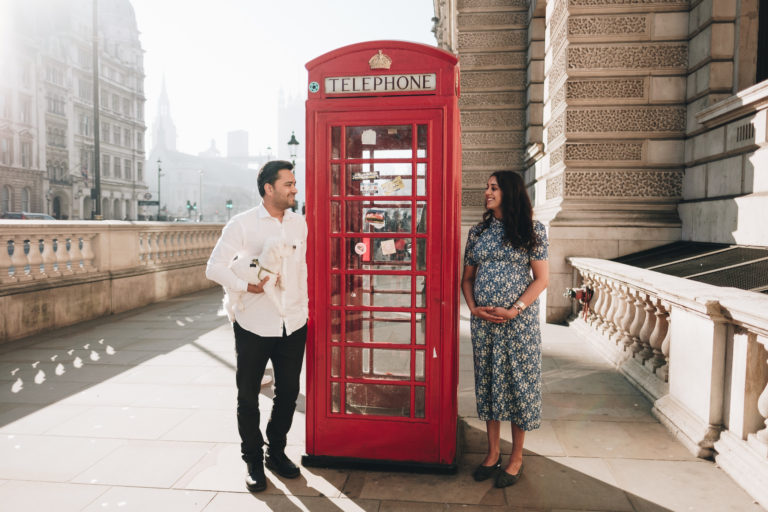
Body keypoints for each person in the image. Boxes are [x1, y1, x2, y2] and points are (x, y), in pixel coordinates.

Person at [206, 160, 308, 493]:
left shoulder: (299, 224)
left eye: (294, 183)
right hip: (253, 322)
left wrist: (305, 307)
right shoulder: (243, 224)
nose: (294, 189)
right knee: (248, 396)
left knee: (288, 393)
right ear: (268, 188)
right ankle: (252, 459)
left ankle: (275, 452)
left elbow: (302, 270)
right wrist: (243, 286)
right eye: (288, 184)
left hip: (292, 321)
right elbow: (215, 267)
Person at [460, 171, 549, 488]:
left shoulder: (532, 230)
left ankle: (516, 457)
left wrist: (515, 310)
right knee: (488, 383)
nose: (486, 192)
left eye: (493, 187)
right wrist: (473, 308)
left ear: (509, 193)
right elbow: (467, 278)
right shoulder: (478, 231)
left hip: (519, 324)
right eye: (487, 186)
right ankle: (492, 452)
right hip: (484, 323)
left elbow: (541, 279)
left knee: (517, 385)